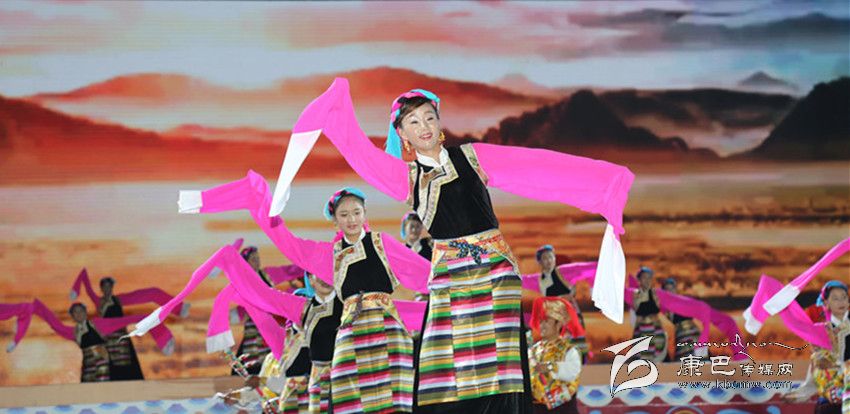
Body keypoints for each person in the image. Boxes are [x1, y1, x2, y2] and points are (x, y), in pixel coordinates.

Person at [269, 80, 633, 413]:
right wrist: (337, 109)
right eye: (413, 122)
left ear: (440, 122)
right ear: (402, 134)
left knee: (498, 369)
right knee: (442, 371)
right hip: (449, 278)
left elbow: (538, 167)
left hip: (494, 270)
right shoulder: (405, 178)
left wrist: (606, 183)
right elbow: (361, 153)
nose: (424, 126)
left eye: (429, 117)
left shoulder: (472, 156)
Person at [785, 281, 849, 413]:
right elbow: (815, 378)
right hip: (830, 402)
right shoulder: (821, 332)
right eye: (835, 298)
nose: (841, 302)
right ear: (826, 303)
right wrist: (798, 395)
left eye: (844, 297)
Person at [528, 297, 584, 414]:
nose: (542, 325)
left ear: (558, 324)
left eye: (547, 321)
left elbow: (573, 373)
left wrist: (551, 366)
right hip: (536, 408)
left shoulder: (569, 350)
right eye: (541, 321)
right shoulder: (533, 350)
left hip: (562, 408)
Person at [535, 245, 589, 361]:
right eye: (545, 258)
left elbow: (572, 290)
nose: (549, 260)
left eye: (551, 257)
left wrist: (565, 296)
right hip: (554, 314)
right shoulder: (541, 279)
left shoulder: (561, 272)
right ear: (540, 262)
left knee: (575, 340)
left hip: (569, 311)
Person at [234, 246, 275, 376]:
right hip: (254, 319)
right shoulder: (243, 279)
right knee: (253, 351)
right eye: (253, 259)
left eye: (258, 258)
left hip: (267, 319)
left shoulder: (264, 275)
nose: (257, 261)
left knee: (267, 351)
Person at [97, 277, 145, 380]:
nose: (107, 289)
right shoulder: (101, 302)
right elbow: (101, 318)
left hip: (121, 333)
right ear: (101, 289)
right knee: (112, 359)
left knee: (126, 358)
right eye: (105, 287)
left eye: (109, 286)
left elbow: (122, 317)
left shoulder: (117, 299)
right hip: (110, 335)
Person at [631, 267, 667, 362]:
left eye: (649, 278)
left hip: (655, 328)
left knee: (655, 356)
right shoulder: (636, 294)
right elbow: (637, 308)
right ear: (639, 280)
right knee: (643, 356)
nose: (647, 280)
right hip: (642, 328)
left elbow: (657, 308)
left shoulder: (654, 293)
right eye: (644, 277)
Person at [661, 277, 701, 361]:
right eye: (667, 290)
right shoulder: (664, 308)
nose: (669, 292)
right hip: (679, 337)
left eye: (672, 289)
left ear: (675, 290)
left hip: (689, 336)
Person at [70, 302, 111, 382]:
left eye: (81, 311)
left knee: (102, 381)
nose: (79, 314)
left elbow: (106, 338)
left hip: (100, 357)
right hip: (87, 360)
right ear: (72, 316)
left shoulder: (94, 323)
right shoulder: (75, 331)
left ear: (85, 312)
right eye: (75, 312)